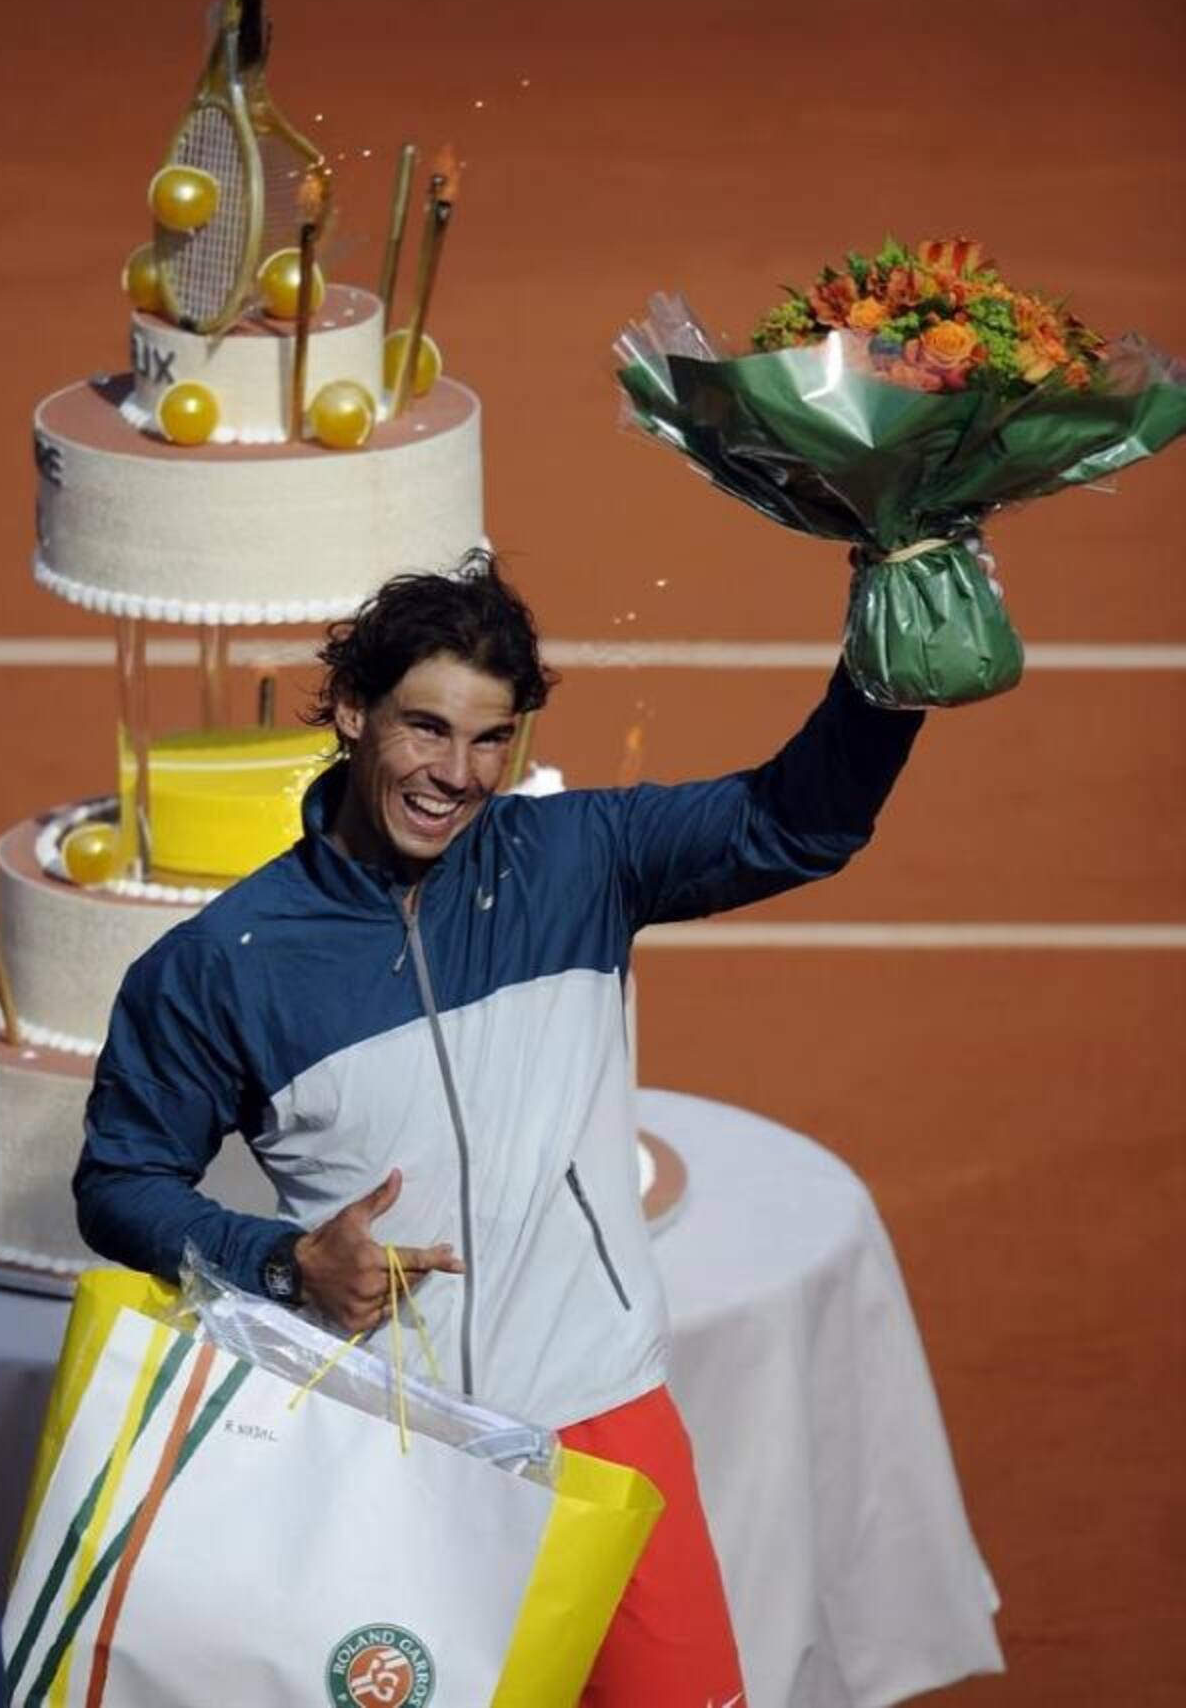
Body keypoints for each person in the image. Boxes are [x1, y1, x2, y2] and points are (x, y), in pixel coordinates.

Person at [75, 548, 925, 1704]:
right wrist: (283, 1260)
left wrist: (888, 673)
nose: (456, 774)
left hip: (604, 1419)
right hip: (385, 1447)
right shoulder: (224, 962)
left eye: (490, 739)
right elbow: (121, 1180)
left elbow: (797, 822)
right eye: (425, 729)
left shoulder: (580, 860)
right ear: (356, 712)